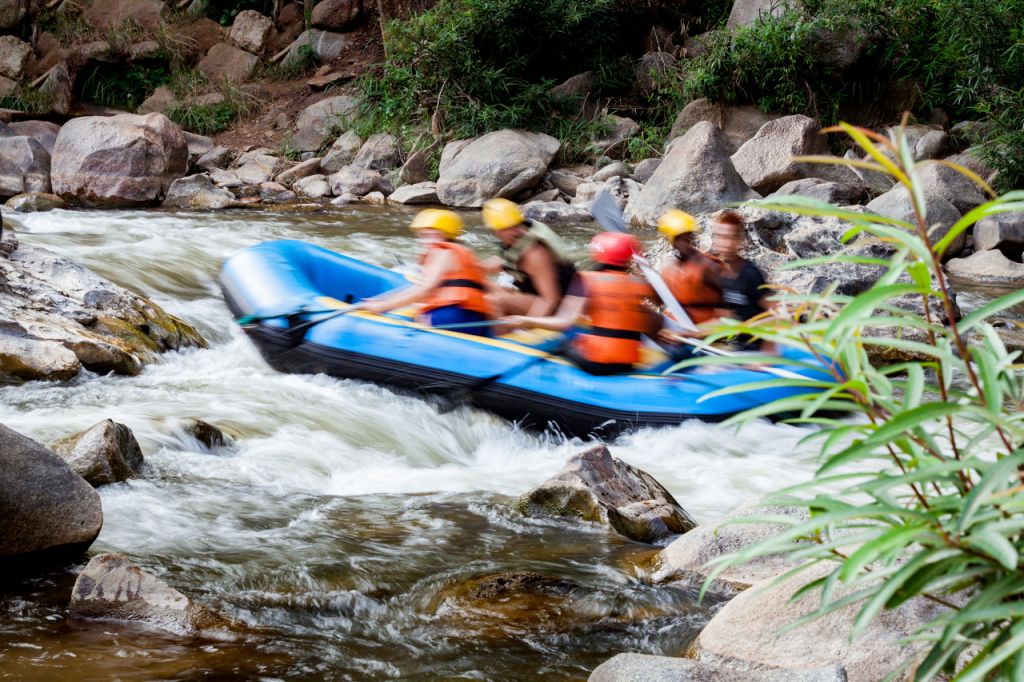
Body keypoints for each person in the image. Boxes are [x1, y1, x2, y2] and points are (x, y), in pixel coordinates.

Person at [504, 232, 659, 375]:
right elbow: (655, 318)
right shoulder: (640, 283)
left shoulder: (586, 279)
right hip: (628, 363)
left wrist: (525, 320)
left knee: (561, 344)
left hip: (597, 363)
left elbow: (564, 322)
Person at [362, 209, 494, 336]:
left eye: (435, 235)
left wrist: (384, 306)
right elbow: (419, 287)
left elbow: (425, 289)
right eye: (424, 235)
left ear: (446, 235)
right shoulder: (452, 252)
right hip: (472, 318)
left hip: (458, 317)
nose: (428, 241)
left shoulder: (443, 253)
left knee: (419, 320)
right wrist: (382, 301)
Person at [480, 198, 577, 317]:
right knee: (485, 287)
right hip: (534, 295)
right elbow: (503, 263)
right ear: (496, 231)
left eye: (516, 225)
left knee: (494, 301)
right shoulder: (514, 245)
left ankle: (501, 335)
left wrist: (526, 326)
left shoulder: (535, 254)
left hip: (558, 307)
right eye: (508, 228)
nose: (515, 231)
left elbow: (550, 300)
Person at [709, 209, 773, 348]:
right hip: (737, 346)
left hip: (757, 348)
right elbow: (722, 319)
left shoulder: (750, 275)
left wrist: (769, 352)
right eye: (720, 237)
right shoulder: (719, 275)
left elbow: (775, 315)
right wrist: (688, 334)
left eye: (730, 238)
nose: (725, 243)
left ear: (739, 241)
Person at [657, 210, 723, 327]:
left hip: (704, 331)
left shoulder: (708, 267)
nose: (687, 243)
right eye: (682, 239)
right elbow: (660, 300)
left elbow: (731, 303)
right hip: (682, 328)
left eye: (688, 238)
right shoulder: (669, 270)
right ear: (673, 242)